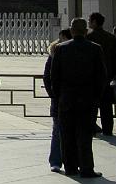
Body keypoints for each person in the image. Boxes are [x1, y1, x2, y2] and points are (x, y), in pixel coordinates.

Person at [50, 17, 105, 179]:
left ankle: (71, 167)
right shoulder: (95, 49)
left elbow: (55, 77)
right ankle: (87, 168)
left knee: (67, 135)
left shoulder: (60, 49)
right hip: (87, 99)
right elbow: (101, 76)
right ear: (86, 31)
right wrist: (96, 97)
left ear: (72, 31)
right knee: (85, 135)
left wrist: (59, 96)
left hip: (66, 99)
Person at [43, 28, 72, 173]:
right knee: (57, 131)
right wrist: (53, 94)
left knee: (71, 132)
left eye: (63, 39)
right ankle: (55, 161)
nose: (60, 42)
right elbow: (47, 77)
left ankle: (71, 162)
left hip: (72, 99)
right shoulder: (53, 54)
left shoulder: (75, 54)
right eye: (60, 39)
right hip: (59, 99)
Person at [86, 11, 116, 136]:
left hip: (92, 77)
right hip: (107, 75)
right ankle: (108, 129)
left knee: (92, 105)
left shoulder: (89, 38)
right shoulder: (111, 37)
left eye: (89, 20)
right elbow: (115, 57)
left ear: (94, 22)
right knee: (106, 105)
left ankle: (91, 128)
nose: (88, 22)